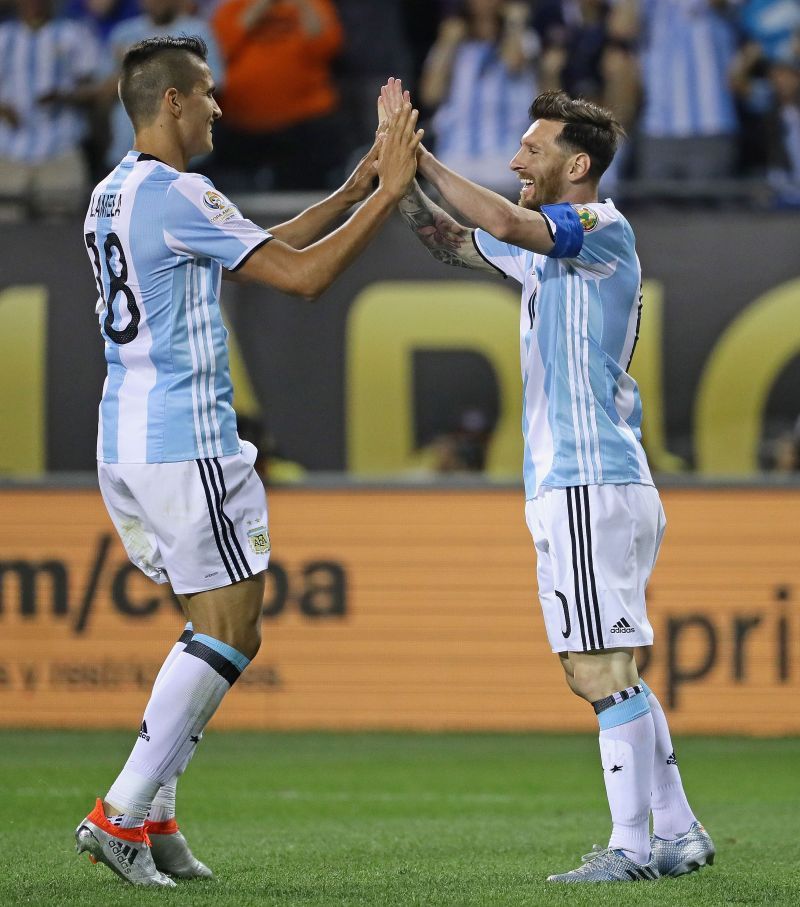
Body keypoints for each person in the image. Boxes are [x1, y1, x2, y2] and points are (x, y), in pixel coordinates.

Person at [74, 36, 421, 887]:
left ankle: (154, 817)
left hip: (125, 440)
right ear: (173, 105)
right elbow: (301, 278)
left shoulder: (113, 193)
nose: (221, 108)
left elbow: (252, 243)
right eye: (207, 93)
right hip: (185, 441)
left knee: (221, 630)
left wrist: (350, 188)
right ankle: (118, 814)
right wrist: (390, 198)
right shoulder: (180, 192)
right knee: (228, 634)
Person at [381, 77, 715, 883]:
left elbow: (496, 217)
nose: (513, 159)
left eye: (531, 150)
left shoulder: (602, 227)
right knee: (612, 664)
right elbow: (452, 239)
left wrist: (418, 151)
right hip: (589, 481)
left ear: (577, 163)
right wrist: (396, 182)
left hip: (587, 480)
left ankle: (631, 848)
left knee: (594, 667)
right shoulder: (544, 252)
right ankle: (678, 832)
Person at [419, 0, 541, 195]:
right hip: (454, 159)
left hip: (505, 161)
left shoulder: (522, 38)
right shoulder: (453, 42)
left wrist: (514, 23)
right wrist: (447, 44)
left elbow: (514, 63)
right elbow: (430, 94)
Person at [0, 0, 101, 219]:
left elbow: (94, 90)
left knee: (60, 227)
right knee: (7, 226)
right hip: (9, 148)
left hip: (60, 146)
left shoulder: (73, 34)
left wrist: (65, 96)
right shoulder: (4, 37)